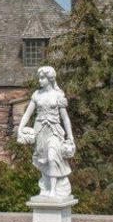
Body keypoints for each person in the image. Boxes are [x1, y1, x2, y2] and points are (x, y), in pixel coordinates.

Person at [16, 65, 76, 200]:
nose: (40, 81)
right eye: (39, 78)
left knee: (52, 157)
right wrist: (20, 128)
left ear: (50, 79)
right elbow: (27, 114)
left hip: (54, 130)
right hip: (40, 130)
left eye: (42, 78)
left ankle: (53, 191)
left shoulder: (58, 95)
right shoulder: (36, 95)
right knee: (43, 160)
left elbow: (65, 118)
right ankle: (46, 188)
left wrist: (70, 136)